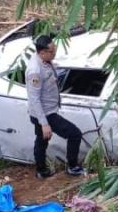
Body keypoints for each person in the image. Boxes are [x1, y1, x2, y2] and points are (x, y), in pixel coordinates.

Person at [26, 34, 85, 178]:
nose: (55, 54)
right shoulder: (35, 71)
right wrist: (44, 123)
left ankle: (41, 170)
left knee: (42, 141)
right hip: (45, 113)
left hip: (46, 111)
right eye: (52, 52)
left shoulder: (44, 61)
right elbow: (34, 98)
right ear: (42, 52)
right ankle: (72, 166)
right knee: (74, 134)